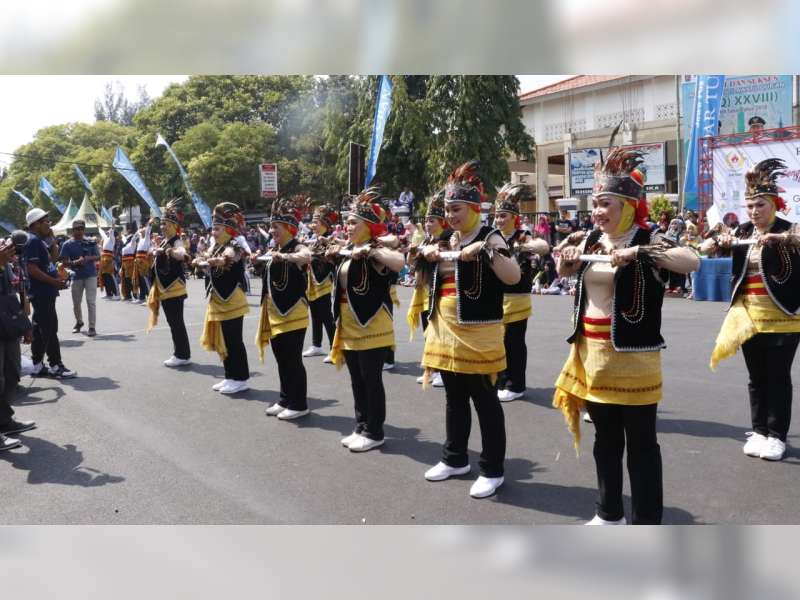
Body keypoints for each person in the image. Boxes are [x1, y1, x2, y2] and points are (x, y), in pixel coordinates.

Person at [553, 148, 698, 525]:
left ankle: (647, 521)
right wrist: (566, 260)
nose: (598, 211)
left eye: (606, 204)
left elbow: (691, 260)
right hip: (593, 355)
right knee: (605, 441)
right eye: (596, 203)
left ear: (630, 206)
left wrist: (638, 252)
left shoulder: (650, 237)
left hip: (635, 358)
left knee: (642, 445)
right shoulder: (589, 241)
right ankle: (608, 512)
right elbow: (566, 272)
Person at [419, 160, 521, 499]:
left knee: (485, 401)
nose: (451, 215)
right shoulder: (445, 238)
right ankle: (455, 458)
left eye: (457, 208)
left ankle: (492, 469)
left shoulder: (490, 235)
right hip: (444, 330)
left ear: (475, 208)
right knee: (453, 398)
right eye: (447, 209)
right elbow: (412, 260)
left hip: (478, 333)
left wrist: (487, 251)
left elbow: (513, 277)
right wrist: (427, 251)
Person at [707, 158, 800, 462]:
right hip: (748, 317)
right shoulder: (743, 231)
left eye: (760, 205)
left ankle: (777, 436)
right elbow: (704, 248)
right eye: (750, 206)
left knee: (778, 376)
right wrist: (719, 241)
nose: (754, 211)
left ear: (774, 204)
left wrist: (781, 239)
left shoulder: (790, 229)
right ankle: (759, 430)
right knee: (756, 377)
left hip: (784, 317)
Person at [326, 187, 404, 452]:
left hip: (373, 323)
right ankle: (360, 426)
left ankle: (375, 431)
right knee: (356, 378)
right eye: (346, 222)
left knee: (371, 378)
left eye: (352, 222)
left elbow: (399, 262)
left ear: (368, 225)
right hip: (348, 320)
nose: (347, 226)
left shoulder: (376, 247)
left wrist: (372, 252)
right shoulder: (348, 248)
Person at [257, 197, 313, 420]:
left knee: (292, 358)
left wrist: (284, 256)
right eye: (271, 227)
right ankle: (285, 399)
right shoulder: (274, 248)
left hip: (294, 312)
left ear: (289, 228)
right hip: (274, 312)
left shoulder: (296, 247)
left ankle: (299, 404)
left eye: (276, 227)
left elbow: (306, 256)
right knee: (281, 358)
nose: (272, 230)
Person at [492, 183, 550, 402]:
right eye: (497, 216)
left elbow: (543, 247)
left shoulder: (522, 235)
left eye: (503, 216)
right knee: (497, 341)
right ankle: (500, 380)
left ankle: (516, 384)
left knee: (514, 342)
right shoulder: (494, 236)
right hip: (497, 297)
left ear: (514, 217)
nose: (499, 220)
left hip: (517, 298)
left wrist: (519, 248)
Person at [194, 203, 250, 395]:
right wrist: (199, 261)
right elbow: (205, 256)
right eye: (213, 229)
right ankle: (229, 376)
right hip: (218, 299)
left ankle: (241, 378)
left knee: (234, 340)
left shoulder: (234, 245)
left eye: (217, 229)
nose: (213, 232)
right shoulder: (215, 246)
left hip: (232, 300)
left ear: (227, 229)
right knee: (223, 340)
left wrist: (219, 260)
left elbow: (231, 256)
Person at [23, 208, 75, 378]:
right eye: (45, 221)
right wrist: (54, 282)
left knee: (39, 329)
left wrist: (52, 243)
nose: (49, 224)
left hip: (44, 291)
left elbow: (50, 262)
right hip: (42, 291)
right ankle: (56, 365)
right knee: (50, 329)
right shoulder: (33, 241)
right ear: (35, 224)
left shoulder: (39, 241)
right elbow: (32, 269)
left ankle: (37, 364)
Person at [407, 191, 450, 388]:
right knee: (428, 332)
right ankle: (431, 369)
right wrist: (412, 254)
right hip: (425, 292)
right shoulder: (425, 240)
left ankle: (443, 371)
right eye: (426, 220)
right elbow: (413, 265)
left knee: (439, 333)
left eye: (432, 220)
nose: (427, 224)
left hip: (440, 292)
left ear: (442, 221)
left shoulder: (448, 239)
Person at [0, 237, 36, 451]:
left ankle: (4, 421)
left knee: (13, 372)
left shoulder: (4, 259)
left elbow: (11, 294)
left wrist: (25, 325)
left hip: (7, 324)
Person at [147, 199, 192, 368]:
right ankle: (180, 353)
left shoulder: (176, 240)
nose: (163, 227)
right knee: (174, 323)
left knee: (176, 323)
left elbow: (181, 252)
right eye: (162, 224)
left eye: (166, 224)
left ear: (173, 226)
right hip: (165, 289)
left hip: (174, 289)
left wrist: (171, 252)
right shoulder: (165, 241)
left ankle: (182, 354)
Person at [302, 203, 339, 362]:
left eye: (316, 223)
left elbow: (333, 257)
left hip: (323, 281)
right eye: (312, 222)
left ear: (325, 224)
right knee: (315, 314)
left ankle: (335, 348)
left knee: (325, 315)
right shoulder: (315, 240)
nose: (313, 225)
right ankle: (316, 345)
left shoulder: (332, 239)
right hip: (312, 280)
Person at [59, 219, 99, 337]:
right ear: (73, 230)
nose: (79, 231)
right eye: (77, 229)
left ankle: (92, 327)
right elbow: (63, 262)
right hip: (76, 276)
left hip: (90, 274)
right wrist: (76, 262)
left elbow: (98, 256)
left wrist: (88, 259)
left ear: (84, 229)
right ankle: (79, 322)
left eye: (81, 228)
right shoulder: (67, 244)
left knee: (91, 302)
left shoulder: (91, 242)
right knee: (76, 303)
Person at [132, 224, 152, 304]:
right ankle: (142, 297)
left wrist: (149, 224)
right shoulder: (140, 238)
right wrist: (138, 231)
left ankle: (151, 297)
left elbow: (148, 231)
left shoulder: (147, 238)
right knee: (140, 280)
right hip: (138, 261)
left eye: (143, 230)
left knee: (145, 279)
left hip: (143, 261)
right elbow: (134, 238)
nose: (142, 231)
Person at [99, 227, 120, 300]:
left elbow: (111, 233)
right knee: (105, 276)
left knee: (111, 275)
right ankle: (109, 294)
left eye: (109, 232)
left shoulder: (112, 239)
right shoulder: (105, 238)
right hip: (103, 258)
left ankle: (117, 294)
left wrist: (112, 227)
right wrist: (99, 227)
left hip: (109, 259)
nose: (107, 233)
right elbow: (102, 233)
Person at [120, 229, 137, 301]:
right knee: (125, 280)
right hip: (124, 264)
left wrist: (136, 232)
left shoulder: (132, 244)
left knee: (131, 279)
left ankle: (135, 294)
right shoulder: (125, 245)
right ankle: (127, 295)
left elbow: (134, 238)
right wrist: (121, 267)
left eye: (128, 238)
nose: (127, 238)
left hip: (130, 264)